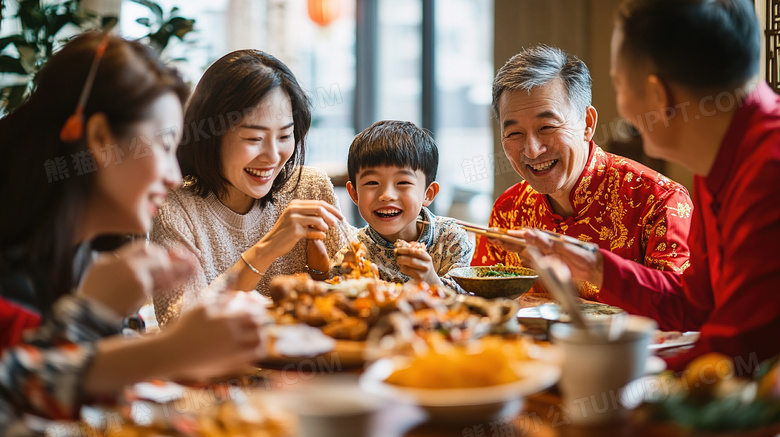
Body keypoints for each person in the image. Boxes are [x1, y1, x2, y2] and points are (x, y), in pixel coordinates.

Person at [0, 33, 267, 434]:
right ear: (101, 138)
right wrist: (167, 350)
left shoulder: (91, 258)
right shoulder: (14, 276)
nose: (174, 176)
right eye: (163, 146)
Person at [523, 0, 780, 371]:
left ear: (658, 96)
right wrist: (597, 266)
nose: (622, 108)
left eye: (619, 84)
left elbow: (740, 349)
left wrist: (618, 384)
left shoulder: (768, 170)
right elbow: (695, 306)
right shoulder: (722, 160)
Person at [472, 45, 694, 300]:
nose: (532, 151)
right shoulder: (508, 210)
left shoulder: (660, 202)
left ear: (587, 124)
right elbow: (485, 305)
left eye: (547, 127)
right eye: (514, 133)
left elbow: (676, 309)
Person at [151, 50, 345, 327]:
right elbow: (179, 328)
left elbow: (360, 293)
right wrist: (266, 249)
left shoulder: (310, 187)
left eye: (284, 136)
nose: (272, 155)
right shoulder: (175, 208)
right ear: (211, 137)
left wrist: (321, 272)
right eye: (254, 138)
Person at [332, 120, 474, 289]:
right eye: (372, 183)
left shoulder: (451, 238)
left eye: (403, 182)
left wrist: (431, 279)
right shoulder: (352, 253)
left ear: (428, 194)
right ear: (354, 194)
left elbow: (469, 301)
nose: (387, 195)